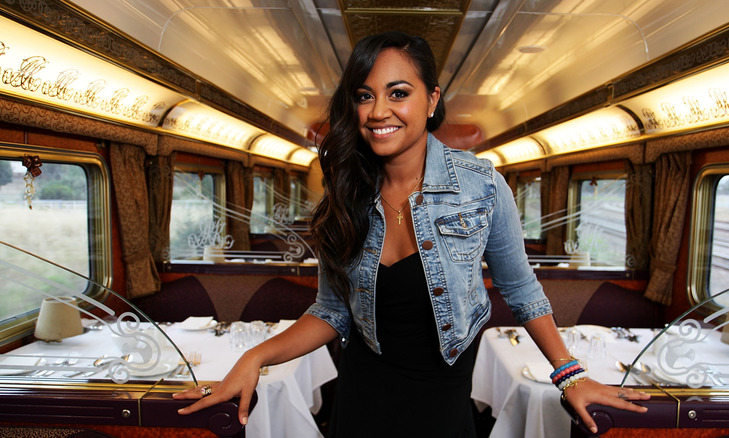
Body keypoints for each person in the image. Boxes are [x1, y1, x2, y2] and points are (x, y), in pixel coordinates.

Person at [174, 31, 649, 436]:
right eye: (364, 95)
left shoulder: (482, 185)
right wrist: (255, 357)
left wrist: (570, 376)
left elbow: (522, 291)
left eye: (398, 93)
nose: (379, 111)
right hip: (361, 401)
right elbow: (332, 311)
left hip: (440, 404)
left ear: (433, 100)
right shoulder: (347, 192)